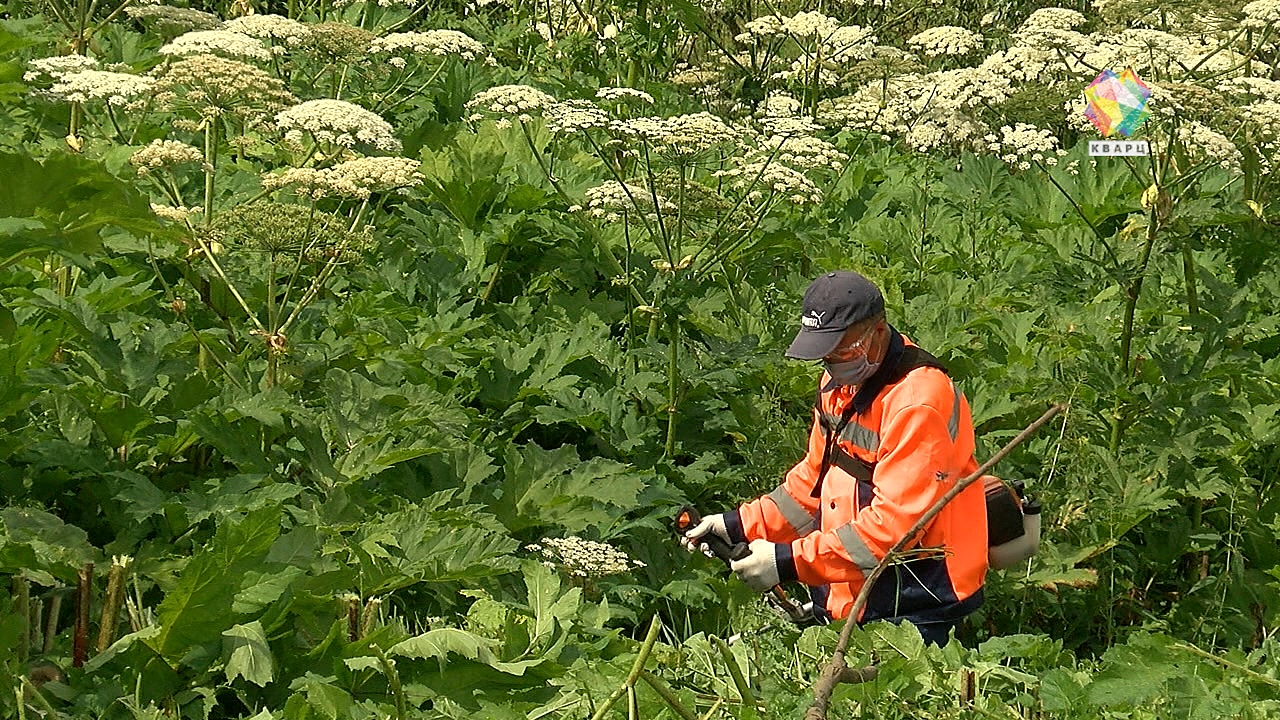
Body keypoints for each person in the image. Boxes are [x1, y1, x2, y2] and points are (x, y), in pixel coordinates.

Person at [683, 270, 987, 645]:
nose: (831, 364)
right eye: (824, 354)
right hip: (851, 593)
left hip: (916, 599)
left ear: (877, 333)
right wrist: (738, 526)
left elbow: (896, 530)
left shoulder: (917, 403)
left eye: (841, 350)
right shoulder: (839, 384)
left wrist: (787, 562)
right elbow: (812, 483)